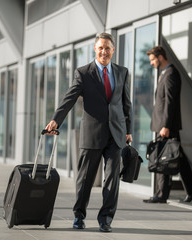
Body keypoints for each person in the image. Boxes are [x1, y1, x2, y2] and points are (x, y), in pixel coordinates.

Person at [44, 32, 133, 232]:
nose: (104, 51)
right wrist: (55, 120)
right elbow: (70, 98)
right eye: (100, 47)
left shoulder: (122, 72)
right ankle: (79, 216)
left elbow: (127, 104)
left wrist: (129, 130)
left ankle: (106, 219)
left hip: (116, 134)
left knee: (112, 179)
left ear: (113, 50)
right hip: (92, 133)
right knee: (85, 179)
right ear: (95, 49)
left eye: (108, 48)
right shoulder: (84, 73)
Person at [143, 46, 192, 204]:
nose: (152, 63)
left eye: (153, 60)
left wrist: (166, 125)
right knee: (176, 157)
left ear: (160, 57)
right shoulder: (165, 73)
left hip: (167, 126)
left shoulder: (170, 74)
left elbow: (170, 101)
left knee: (164, 158)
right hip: (165, 124)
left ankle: (162, 195)